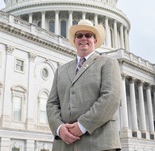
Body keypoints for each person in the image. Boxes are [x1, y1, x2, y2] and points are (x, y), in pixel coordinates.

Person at [46, 19, 121, 151]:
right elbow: (52, 104)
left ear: (95, 40)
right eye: (79, 35)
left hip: (99, 144)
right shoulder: (61, 70)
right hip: (64, 145)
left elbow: (111, 98)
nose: (83, 38)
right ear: (74, 41)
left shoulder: (108, 63)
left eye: (88, 35)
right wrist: (59, 128)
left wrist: (82, 126)